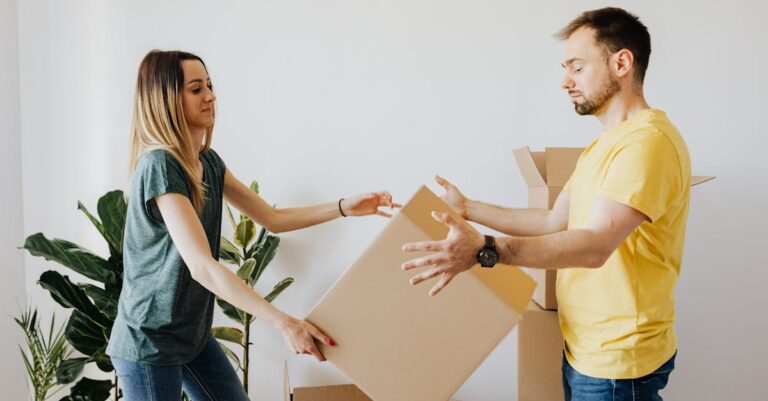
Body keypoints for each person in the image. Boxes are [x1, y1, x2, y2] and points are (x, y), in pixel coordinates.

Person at [402, 7, 688, 400]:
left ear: (621, 63)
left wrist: (486, 249)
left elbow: (595, 246)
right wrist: (467, 207)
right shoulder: (603, 146)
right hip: (585, 349)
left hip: (618, 362)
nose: (565, 82)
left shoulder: (647, 144)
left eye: (577, 67)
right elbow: (554, 220)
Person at [106, 50, 400, 401]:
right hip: (149, 341)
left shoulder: (207, 162)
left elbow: (272, 219)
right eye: (196, 89)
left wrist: (344, 208)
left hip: (191, 336)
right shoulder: (159, 165)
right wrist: (283, 322)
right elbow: (202, 266)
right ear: (166, 101)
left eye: (209, 86)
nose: (211, 96)